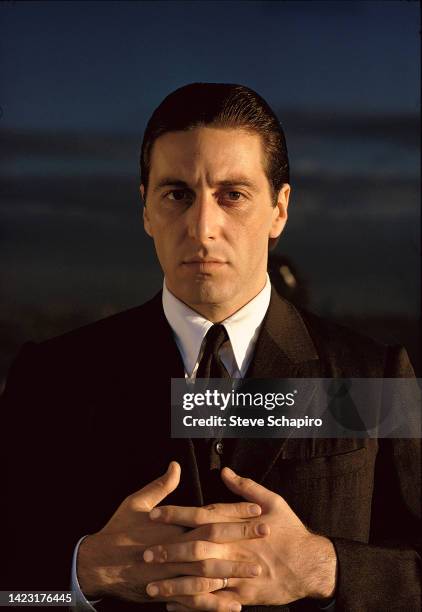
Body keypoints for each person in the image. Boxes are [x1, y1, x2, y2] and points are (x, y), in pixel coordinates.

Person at [1, 83, 420, 612]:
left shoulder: (374, 376)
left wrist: (324, 568)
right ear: (145, 209)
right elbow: (12, 593)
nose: (202, 228)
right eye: (177, 194)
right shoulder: (51, 378)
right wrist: (84, 572)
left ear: (279, 210)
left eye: (233, 194)